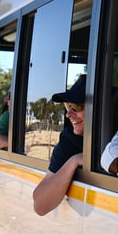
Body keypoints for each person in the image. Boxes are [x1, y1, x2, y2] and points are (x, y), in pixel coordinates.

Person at [33, 75, 86, 215]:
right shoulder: (69, 139)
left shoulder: (116, 140)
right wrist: (74, 161)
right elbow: (40, 205)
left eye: (76, 106)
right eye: (67, 106)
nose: (69, 114)